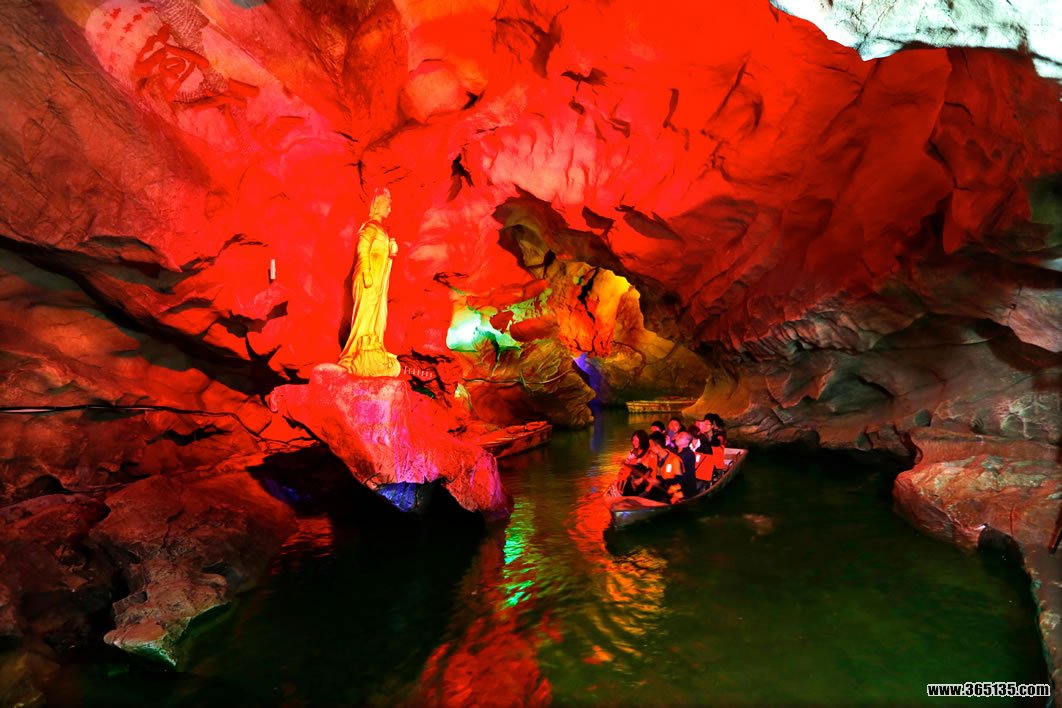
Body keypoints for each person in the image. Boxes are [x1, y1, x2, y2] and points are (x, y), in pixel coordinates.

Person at [338, 188, 402, 377]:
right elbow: (363, 249)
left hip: (377, 282)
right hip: (368, 279)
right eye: (387, 206)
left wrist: (391, 253)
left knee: (375, 315)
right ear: (379, 205)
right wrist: (366, 271)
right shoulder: (370, 228)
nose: (390, 210)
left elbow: (381, 255)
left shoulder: (382, 231)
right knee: (365, 315)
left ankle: (373, 344)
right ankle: (357, 349)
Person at [647, 431, 683, 503]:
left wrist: (659, 482)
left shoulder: (674, 460)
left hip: (669, 493)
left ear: (658, 447)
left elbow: (679, 480)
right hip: (655, 490)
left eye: (651, 446)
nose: (649, 448)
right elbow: (650, 470)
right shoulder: (654, 457)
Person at [618, 430, 652, 496]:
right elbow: (625, 466)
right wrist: (618, 479)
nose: (634, 442)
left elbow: (650, 470)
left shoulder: (648, 453)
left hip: (641, 480)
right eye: (633, 440)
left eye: (636, 440)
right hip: (630, 478)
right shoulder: (632, 452)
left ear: (642, 440)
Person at [673, 431, 700, 497]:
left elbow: (688, 477)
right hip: (675, 487)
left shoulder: (688, 454)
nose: (677, 438)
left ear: (687, 441)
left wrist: (684, 492)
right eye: (678, 436)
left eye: (681, 437)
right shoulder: (675, 452)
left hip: (685, 490)